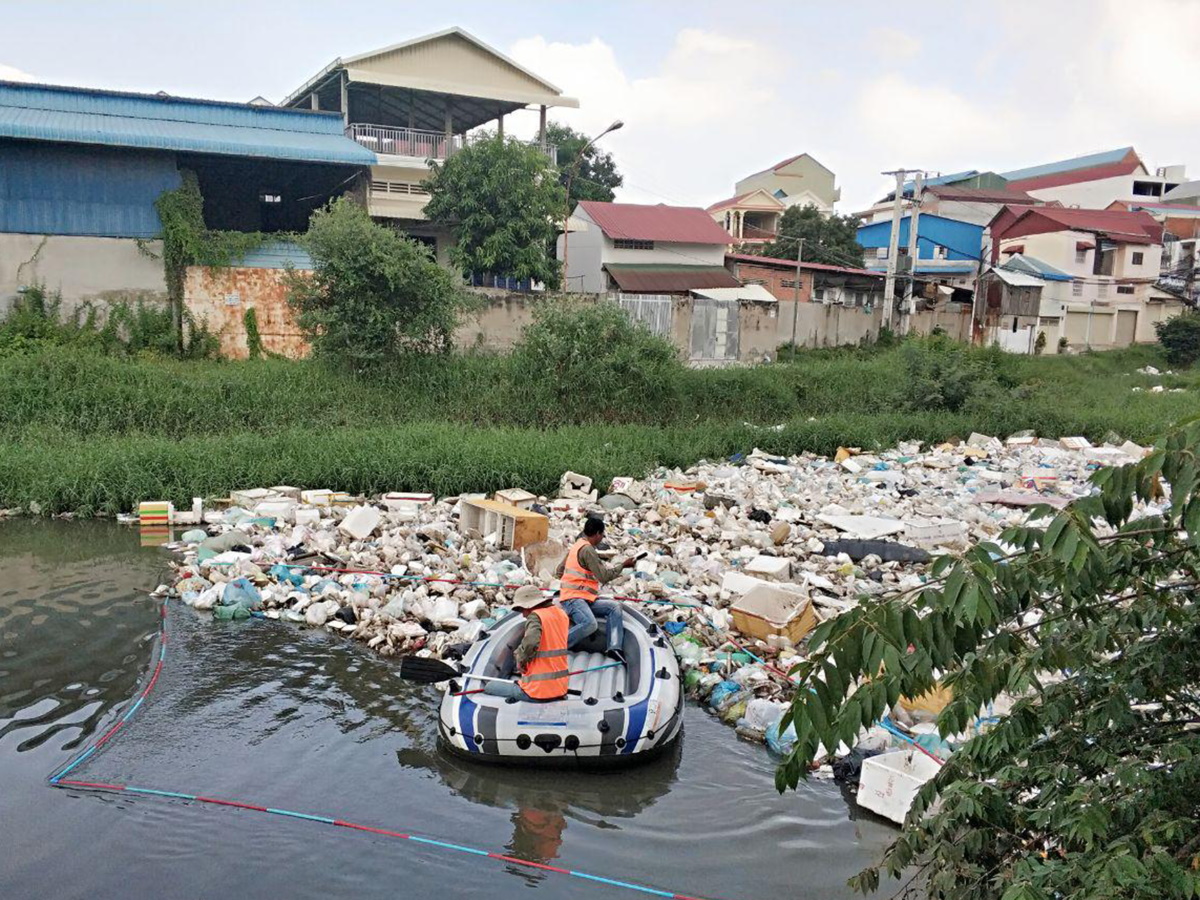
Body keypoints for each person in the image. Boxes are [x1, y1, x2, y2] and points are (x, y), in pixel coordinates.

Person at [555, 517, 636, 663]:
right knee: (590, 624)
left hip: (582, 597)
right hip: (573, 598)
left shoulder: (577, 545)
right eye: (602, 535)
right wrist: (623, 565)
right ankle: (555, 648)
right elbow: (604, 576)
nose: (602, 538)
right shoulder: (588, 550)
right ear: (598, 533)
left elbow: (559, 570)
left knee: (614, 607)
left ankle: (614, 648)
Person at [483, 585, 570, 702]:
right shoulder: (561, 614)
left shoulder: (536, 616)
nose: (523, 615)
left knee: (490, 687)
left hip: (538, 692)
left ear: (530, 605)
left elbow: (530, 643)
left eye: (522, 609)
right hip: (560, 688)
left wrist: (520, 660)